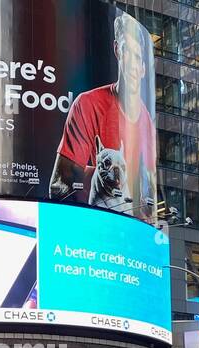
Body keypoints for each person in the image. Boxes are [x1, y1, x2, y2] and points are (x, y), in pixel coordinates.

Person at [50, 13, 156, 220]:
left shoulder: (147, 123)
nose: (132, 65)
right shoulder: (88, 104)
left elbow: (148, 198)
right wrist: (104, 174)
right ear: (117, 50)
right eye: (127, 52)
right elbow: (60, 186)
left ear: (144, 68)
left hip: (129, 238)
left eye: (138, 58)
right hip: (87, 232)